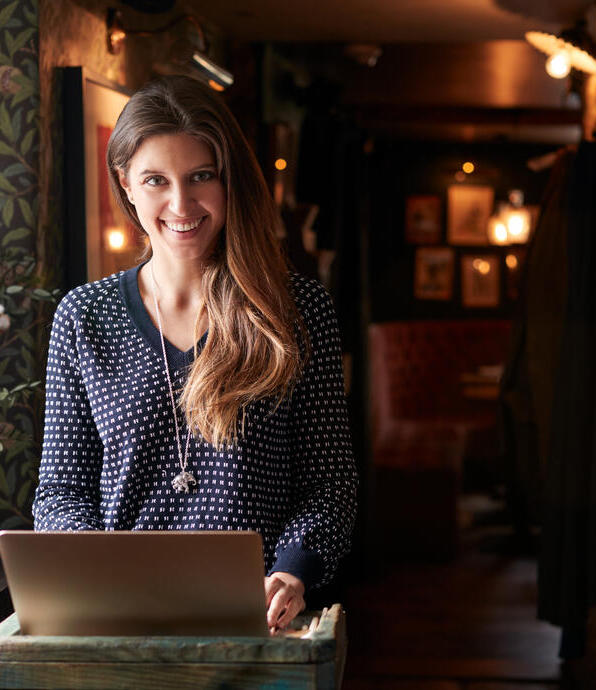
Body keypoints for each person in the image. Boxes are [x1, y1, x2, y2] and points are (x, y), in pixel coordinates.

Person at [32, 75, 357, 633]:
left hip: (259, 624)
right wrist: (88, 567)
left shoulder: (297, 310)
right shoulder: (83, 317)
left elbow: (330, 484)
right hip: (118, 623)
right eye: (156, 180)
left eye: (201, 176)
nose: (181, 203)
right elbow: (61, 489)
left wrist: (292, 572)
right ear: (126, 185)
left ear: (230, 182)